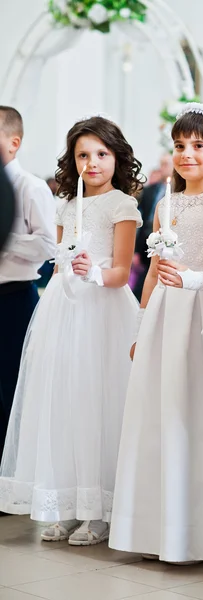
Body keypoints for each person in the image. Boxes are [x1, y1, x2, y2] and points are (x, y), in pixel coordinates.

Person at [109, 103, 203, 563]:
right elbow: (151, 272)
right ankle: (155, 529)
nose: (187, 154)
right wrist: (141, 322)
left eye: (198, 145)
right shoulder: (164, 203)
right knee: (159, 414)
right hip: (163, 318)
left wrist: (191, 280)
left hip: (200, 316)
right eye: (179, 146)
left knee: (200, 416)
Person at [0, 116, 143, 546]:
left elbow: (122, 273)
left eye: (101, 154)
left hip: (103, 311)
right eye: (83, 155)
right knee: (61, 401)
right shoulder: (65, 204)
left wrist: (94, 272)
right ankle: (65, 503)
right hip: (64, 308)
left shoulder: (123, 206)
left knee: (96, 402)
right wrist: (67, 268)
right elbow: (60, 261)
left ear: (116, 157)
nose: (92, 163)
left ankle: (98, 511)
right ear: (72, 160)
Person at [0, 106, 56, 462]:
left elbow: (48, 244)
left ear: (13, 142)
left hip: (13, 298)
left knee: (10, 387)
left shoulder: (30, 187)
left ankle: (7, 477)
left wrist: (6, 238)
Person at [133, 153, 173, 299]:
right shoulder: (149, 190)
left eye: (166, 164)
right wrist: (136, 251)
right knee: (143, 279)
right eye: (161, 164)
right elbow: (140, 221)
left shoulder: (177, 191)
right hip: (146, 239)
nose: (163, 168)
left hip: (166, 240)